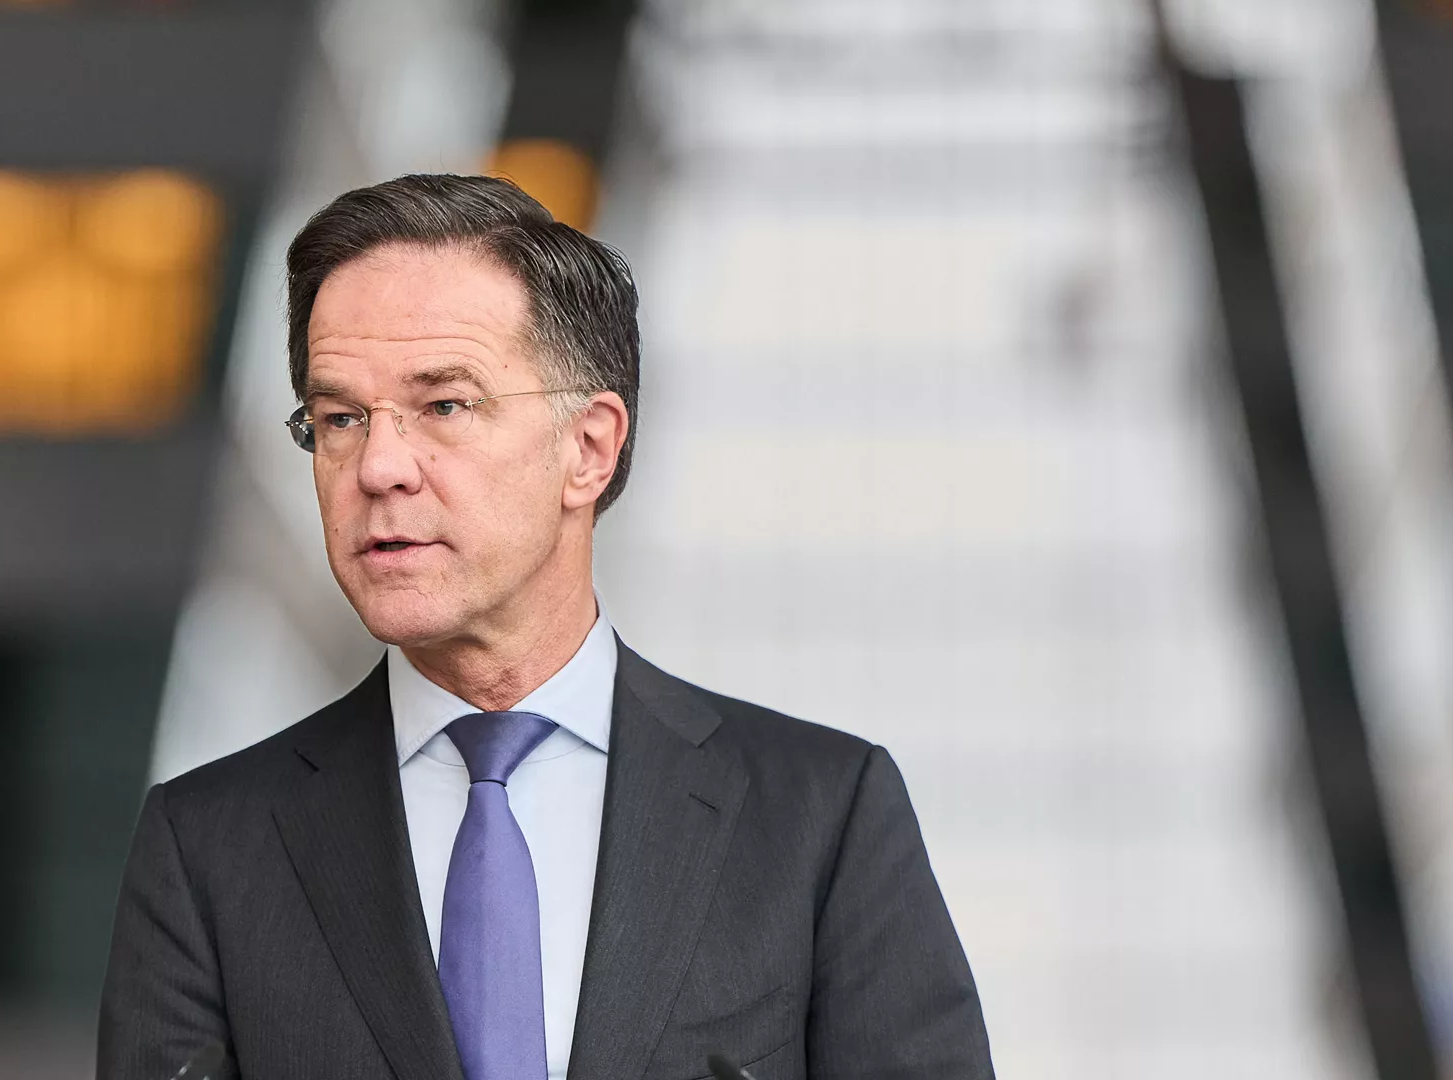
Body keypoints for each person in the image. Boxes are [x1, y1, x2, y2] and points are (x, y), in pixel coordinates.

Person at [98, 174, 993, 1080]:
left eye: (444, 406)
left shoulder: (820, 817)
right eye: (340, 418)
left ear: (589, 448)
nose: (378, 466)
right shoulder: (207, 848)